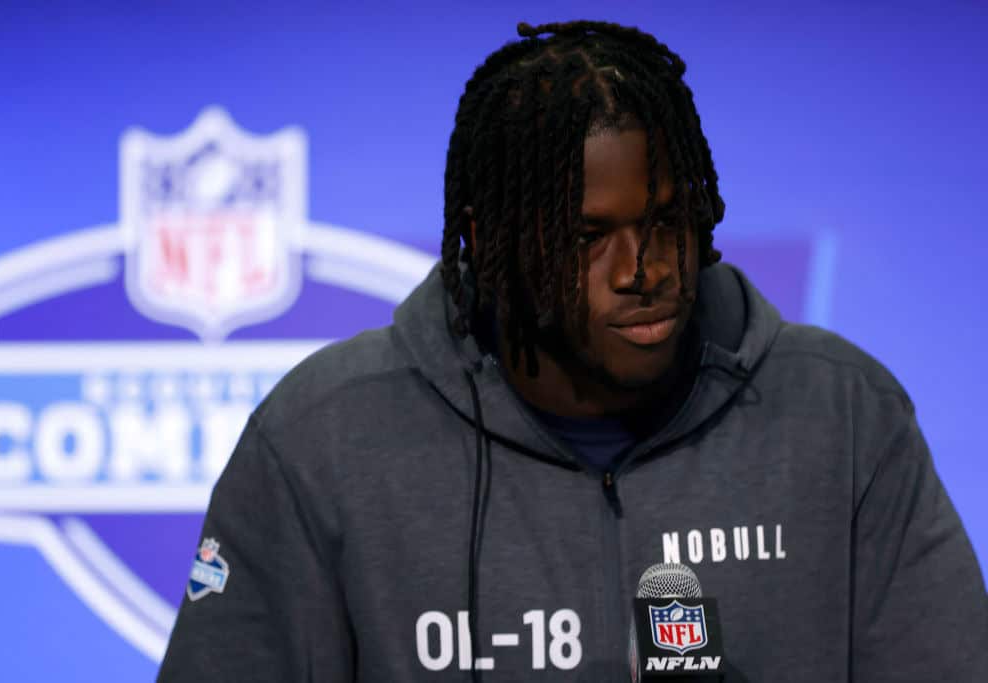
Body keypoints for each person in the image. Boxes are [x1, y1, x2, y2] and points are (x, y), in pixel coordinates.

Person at [158, 20, 988, 682]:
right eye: (589, 236)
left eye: (665, 219)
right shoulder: (321, 441)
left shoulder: (843, 414)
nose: (645, 269)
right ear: (490, 244)